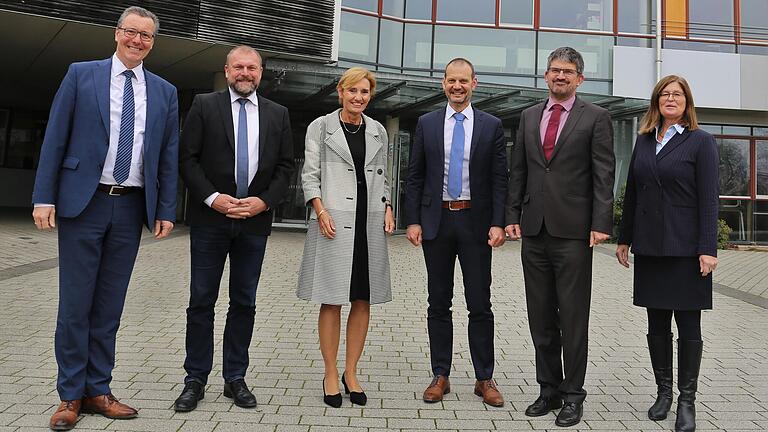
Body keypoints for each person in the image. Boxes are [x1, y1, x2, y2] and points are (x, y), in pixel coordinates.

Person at [30, 6, 178, 430]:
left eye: (146, 36)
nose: (137, 41)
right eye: (131, 32)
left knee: (109, 305)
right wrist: (44, 196)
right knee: (76, 304)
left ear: (153, 42)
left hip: (131, 207)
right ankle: (70, 395)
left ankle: (99, 389)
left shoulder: (164, 91)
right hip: (84, 203)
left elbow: (166, 155)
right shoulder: (82, 74)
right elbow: (55, 137)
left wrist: (166, 208)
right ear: (117, 34)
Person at [174, 45, 294, 412]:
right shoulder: (204, 106)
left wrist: (263, 202)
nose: (245, 73)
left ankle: (235, 378)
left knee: (244, 302)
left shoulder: (278, 114)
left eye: (252, 68)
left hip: (254, 222)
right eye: (239, 67)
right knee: (201, 301)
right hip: (211, 220)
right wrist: (212, 197)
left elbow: (285, 168)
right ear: (227, 71)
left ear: (261, 73)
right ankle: (195, 379)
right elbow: (187, 158)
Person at [505, 47, 615, 427]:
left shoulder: (597, 118)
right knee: (540, 318)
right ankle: (548, 389)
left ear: (579, 78)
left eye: (568, 71)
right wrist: (512, 215)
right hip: (534, 230)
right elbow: (518, 169)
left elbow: (604, 174)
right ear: (546, 75)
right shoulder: (529, 116)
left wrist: (601, 222)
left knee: (572, 318)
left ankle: (573, 395)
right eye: (554, 70)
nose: (560, 76)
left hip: (573, 233)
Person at [616, 75, 718, 432]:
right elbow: (633, 193)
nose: (670, 99)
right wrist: (624, 238)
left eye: (677, 94)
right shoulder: (644, 141)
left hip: (687, 250)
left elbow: (709, 199)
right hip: (650, 248)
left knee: (689, 325)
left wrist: (708, 249)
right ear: (656, 101)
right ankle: (663, 393)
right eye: (664, 94)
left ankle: (686, 400)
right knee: (656, 323)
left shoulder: (701, 142)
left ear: (686, 102)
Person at [404, 58, 507, 407]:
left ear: (474, 83)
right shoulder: (427, 123)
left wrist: (497, 222)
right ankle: (440, 375)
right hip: (437, 223)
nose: (457, 86)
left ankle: (484, 378)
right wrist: (413, 220)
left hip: (476, 224)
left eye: (463, 81)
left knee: (480, 303)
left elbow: (498, 179)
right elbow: (415, 174)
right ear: (443, 83)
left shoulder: (492, 125)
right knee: (438, 302)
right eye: (451, 81)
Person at [297, 67, 395, 408]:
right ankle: (329, 372)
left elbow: (384, 176)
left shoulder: (379, 130)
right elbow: (310, 175)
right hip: (333, 219)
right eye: (352, 90)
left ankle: (351, 372)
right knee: (331, 297)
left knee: (362, 298)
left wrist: (388, 206)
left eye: (365, 92)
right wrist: (320, 210)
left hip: (368, 222)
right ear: (341, 91)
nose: (358, 97)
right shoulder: (321, 127)